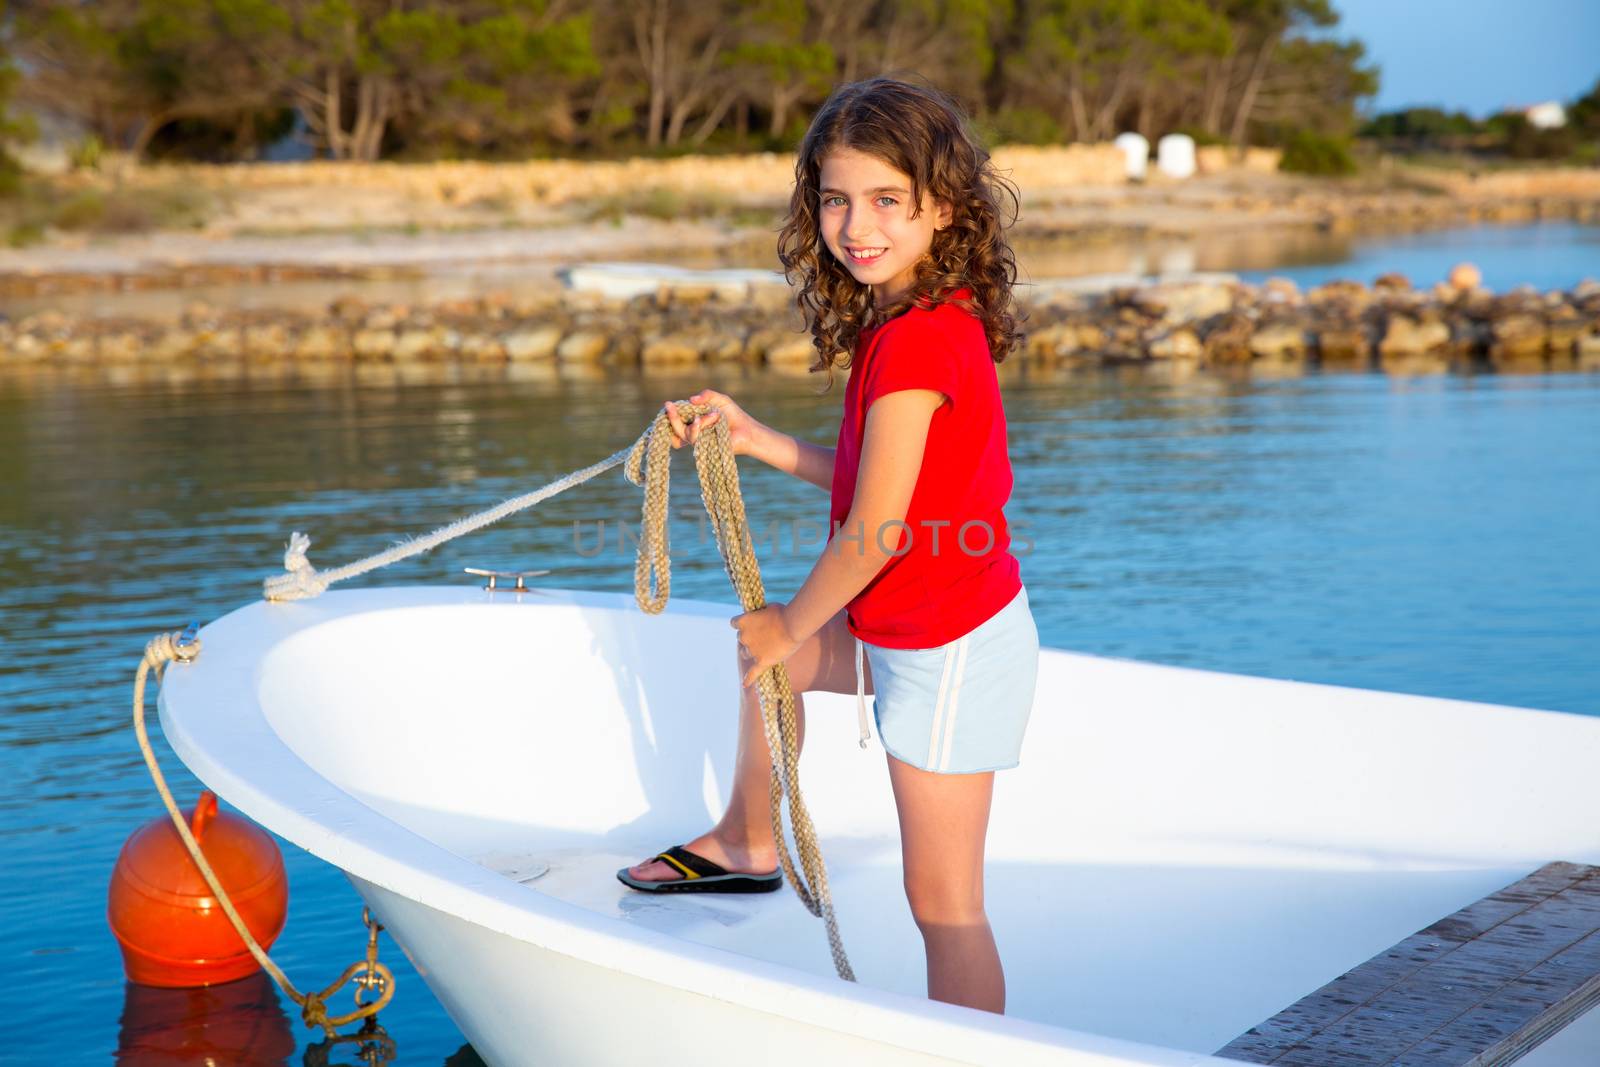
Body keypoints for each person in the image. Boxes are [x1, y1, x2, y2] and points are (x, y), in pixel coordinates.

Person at [617, 76, 1039, 1015]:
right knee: (772, 663)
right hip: (912, 627)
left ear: (945, 206)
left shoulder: (920, 340)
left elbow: (875, 532)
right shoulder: (908, 316)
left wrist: (788, 621)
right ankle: (746, 843)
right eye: (838, 198)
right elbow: (876, 486)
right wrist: (758, 438)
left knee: (945, 906)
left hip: (949, 649)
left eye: (888, 201)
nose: (858, 225)